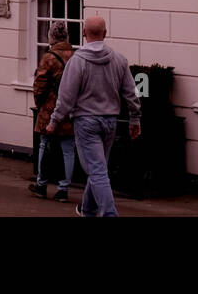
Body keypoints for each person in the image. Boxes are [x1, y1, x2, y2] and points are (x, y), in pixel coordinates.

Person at [46, 15, 140, 217]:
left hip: (86, 122)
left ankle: (109, 214)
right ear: (105, 34)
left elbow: (66, 96)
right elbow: (131, 93)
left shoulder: (77, 62)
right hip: (110, 121)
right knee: (98, 167)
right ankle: (87, 209)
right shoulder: (119, 60)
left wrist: (54, 121)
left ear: (83, 33)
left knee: (97, 171)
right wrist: (134, 119)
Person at [29, 21, 76, 201]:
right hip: (71, 108)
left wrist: (40, 104)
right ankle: (63, 190)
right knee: (68, 149)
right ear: (66, 36)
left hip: (51, 107)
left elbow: (39, 85)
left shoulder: (48, 57)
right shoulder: (75, 56)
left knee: (45, 145)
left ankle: (41, 185)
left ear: (51, 37)